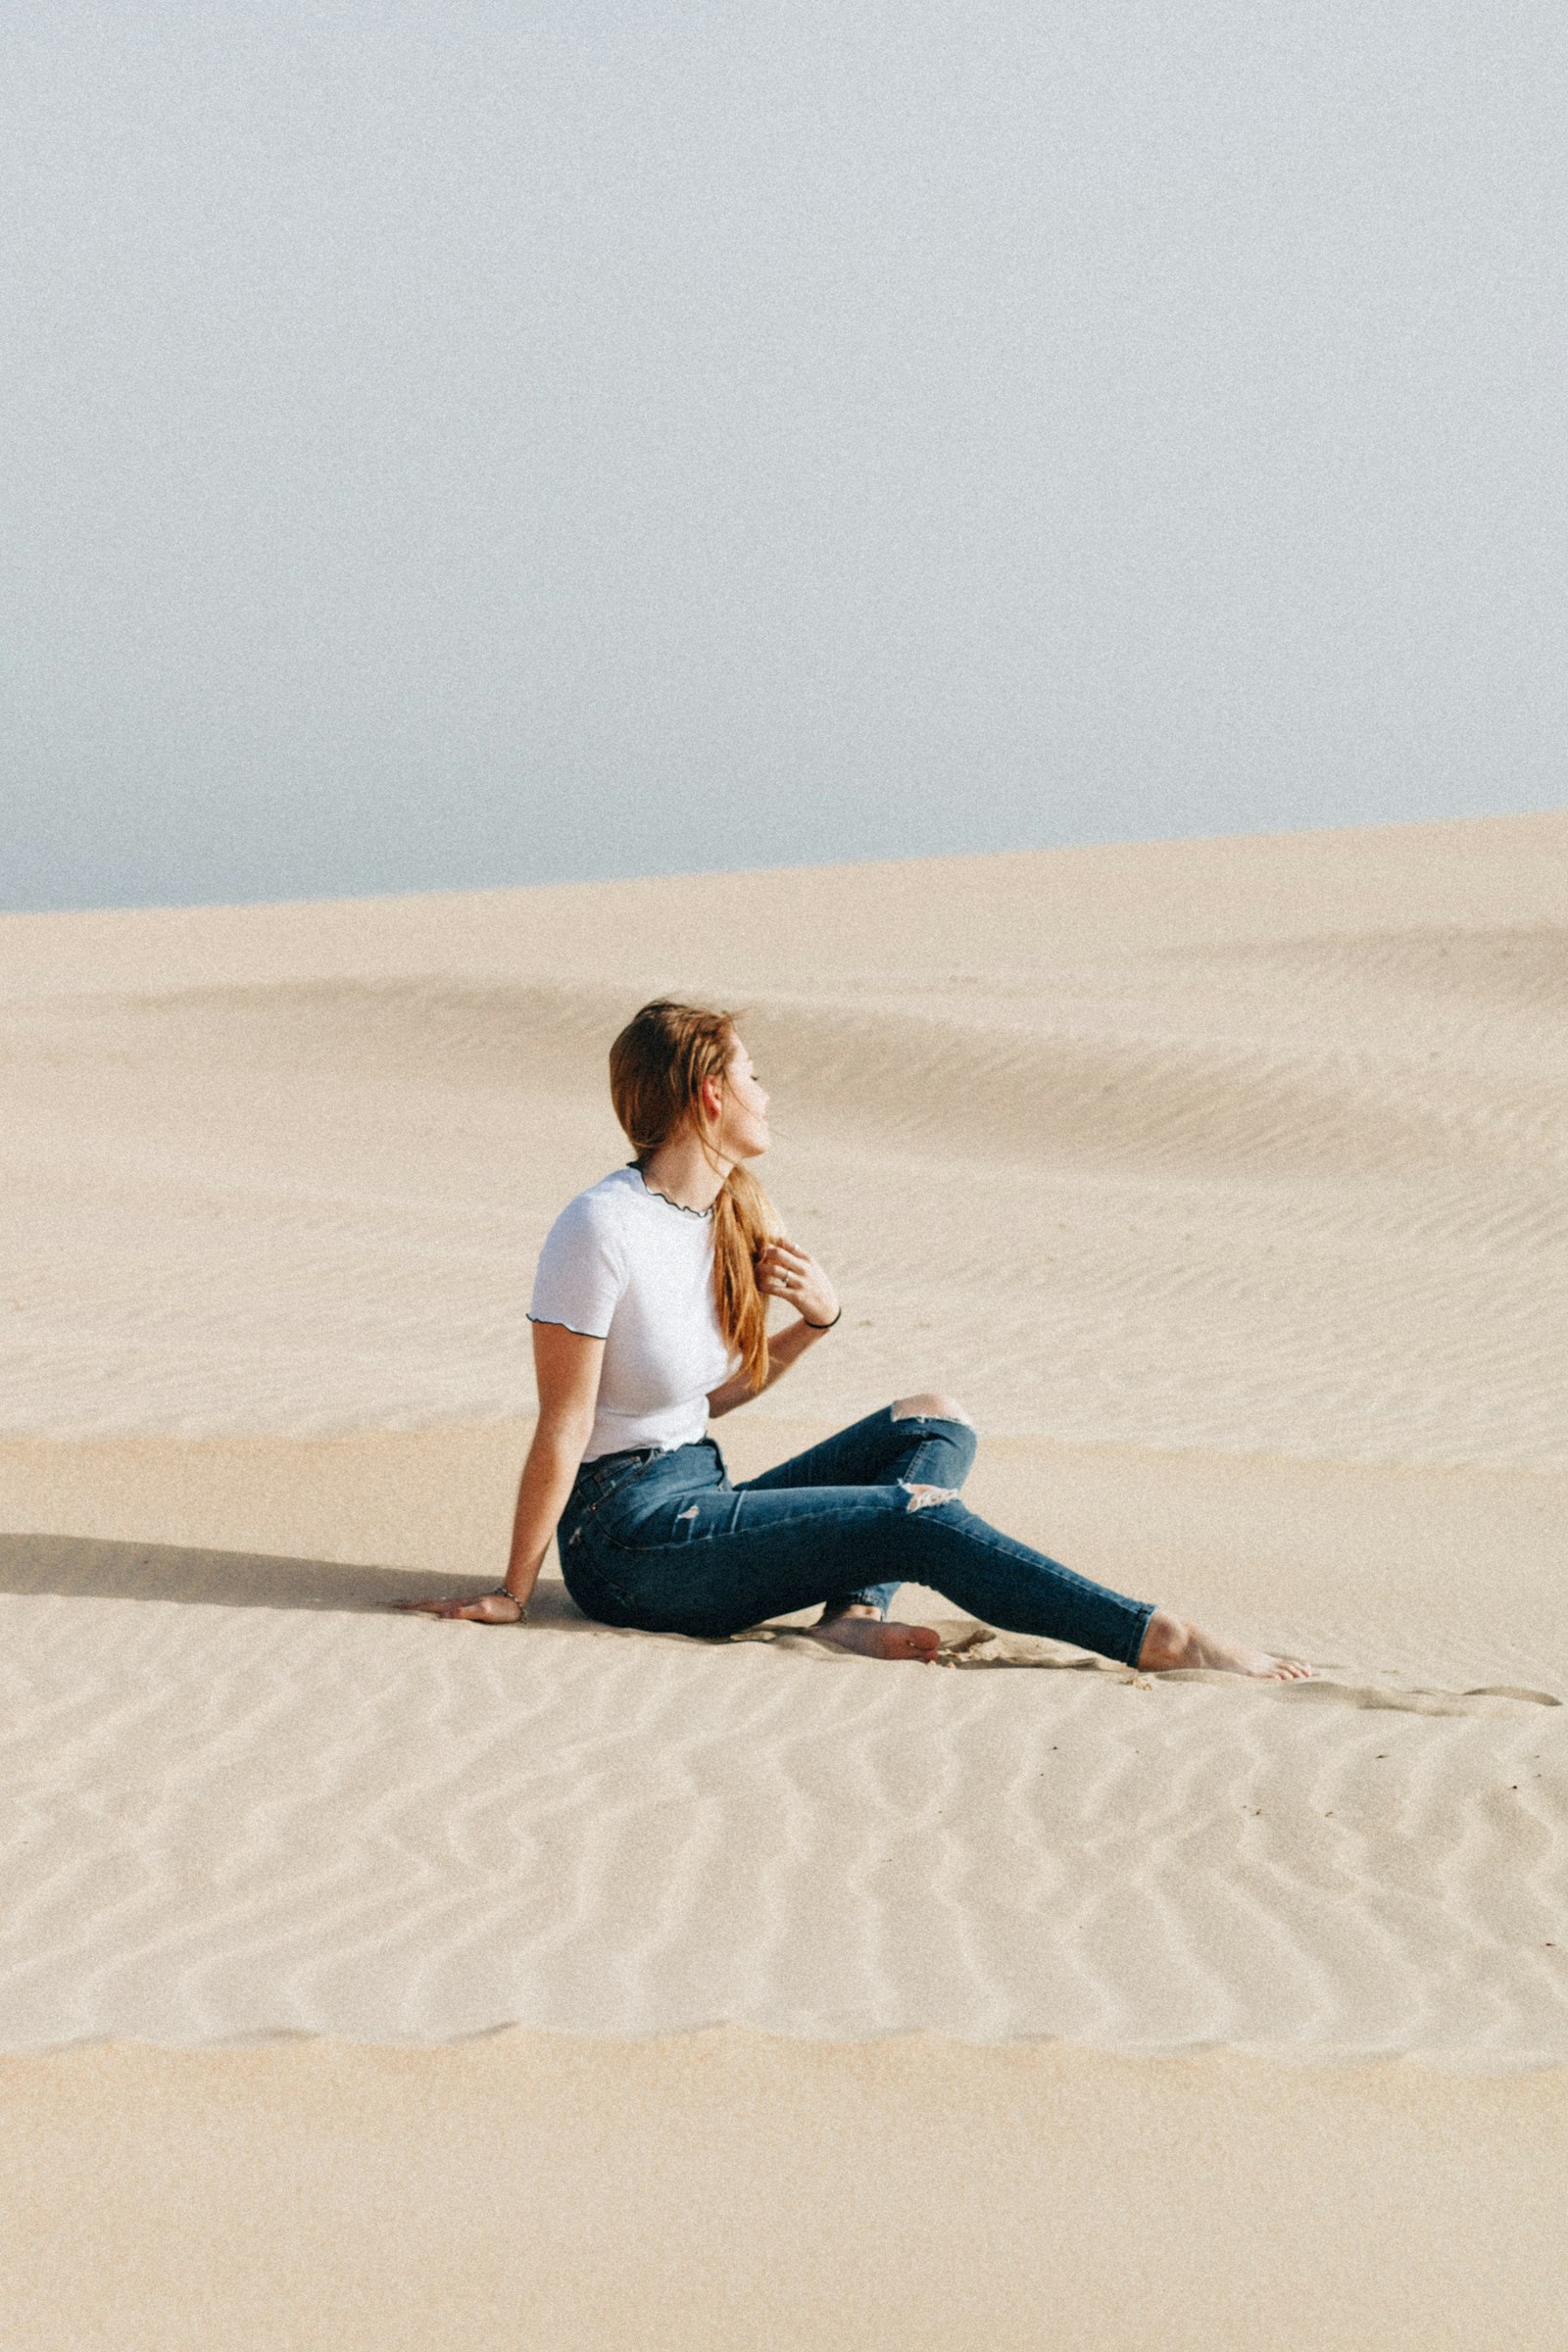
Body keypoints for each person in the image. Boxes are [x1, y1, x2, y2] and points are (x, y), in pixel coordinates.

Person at [401, 1001, 1310, 1680]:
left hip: (698, 1494)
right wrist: (514, 1593)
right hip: (627, 1545)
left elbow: (696, 1401)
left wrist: (816, 1323)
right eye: (753, 1075)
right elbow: (565, 1423)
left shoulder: (720, 1215)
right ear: (710, 1094)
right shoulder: (598, 1227)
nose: (768, 1092)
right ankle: (1158, 1638)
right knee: (909, 1515)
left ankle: (848, 1615)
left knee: (935, 1423)